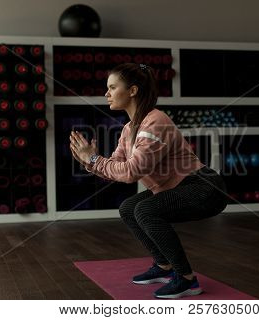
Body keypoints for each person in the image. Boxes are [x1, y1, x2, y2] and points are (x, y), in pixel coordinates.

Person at [69, 63, 228, 299]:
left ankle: (186, 279)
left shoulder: (155, 121)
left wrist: (93, 158)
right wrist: (90, 162)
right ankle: (164, 267)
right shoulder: (128, 130)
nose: (107, 93)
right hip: (174, 186)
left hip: (204, 188)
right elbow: (116, 169)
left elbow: (131, 171)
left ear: (132, 91)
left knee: (144, 210)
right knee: (129, 208)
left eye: (112, 87)